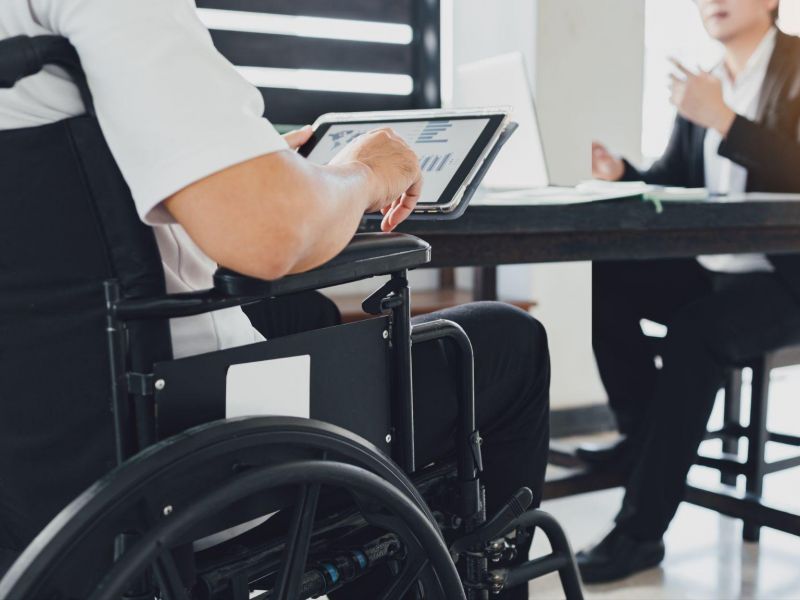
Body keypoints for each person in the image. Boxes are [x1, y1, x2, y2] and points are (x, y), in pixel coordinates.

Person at [0, 2, 550, 598]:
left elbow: (73, 215)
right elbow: (269, 234)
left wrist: (248, 169)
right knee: (505, 344)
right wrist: (364, 172)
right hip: (175, 449)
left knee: (310, 316)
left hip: (30, 461)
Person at [578, 0, 800, 583]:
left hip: (787, 279)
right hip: (715, 267)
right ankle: (641, 434)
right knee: (613, 269)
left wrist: (727, 121)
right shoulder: (705, 85)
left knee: (697, 332)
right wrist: (626, 175)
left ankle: (639, 533)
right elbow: (677, 180)